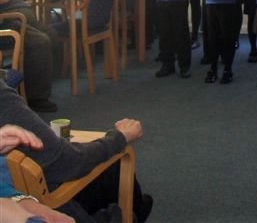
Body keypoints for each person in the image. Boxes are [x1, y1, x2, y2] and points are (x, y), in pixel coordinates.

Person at [0, 81, 153, 222]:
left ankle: (132, 211)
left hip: (20, 194)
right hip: (44, 191)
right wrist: (120, 137)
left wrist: (22, 201)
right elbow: (66, 162)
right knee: (115, 165)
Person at [0, 0, 59, 112]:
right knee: (40, 42)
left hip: (21, 20)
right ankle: (35, 98)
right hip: (7, 22)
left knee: (52, 34)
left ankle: (34, 84)